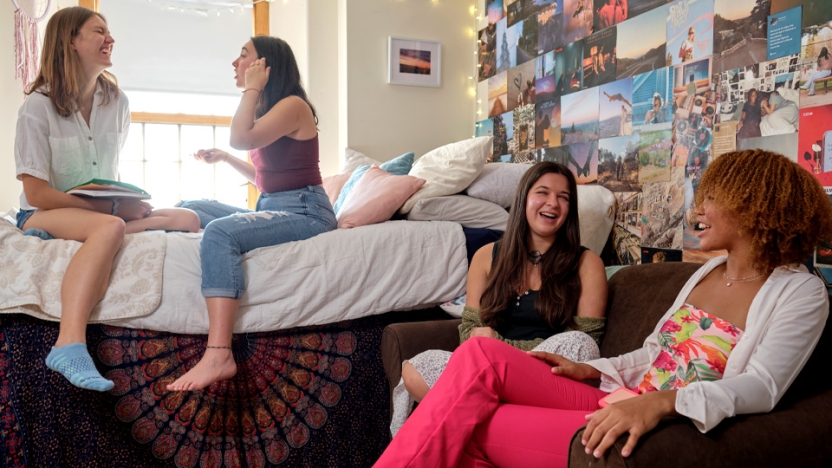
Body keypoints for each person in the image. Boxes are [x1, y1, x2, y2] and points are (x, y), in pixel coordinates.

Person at [375, 149, 832, 467]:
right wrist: (592, 371)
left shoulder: (800, 291)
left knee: (466, 416)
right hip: (615, 396)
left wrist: (662, 404)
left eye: (713, 198)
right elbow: (654, 354)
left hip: (659, 420)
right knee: (477, 356)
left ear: (754, 207)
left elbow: (764, 387)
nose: (699, 207)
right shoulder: (706, 273)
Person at [13, 7, 200, 392]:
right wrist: (111, 210)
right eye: (99, 31)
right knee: (111, 226)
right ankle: (68, 343)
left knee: (187, 219)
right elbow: (36, 192)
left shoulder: (117, 102)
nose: (109, 38)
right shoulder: (38, 106)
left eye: (109, 31)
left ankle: (123, 224)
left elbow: (106, 177)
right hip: (43, 213)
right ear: (71, 41)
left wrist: (124, 201)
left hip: (98, 211)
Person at [167, 36, 335, 391]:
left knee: (220, 233)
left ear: (265, 66)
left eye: (244, 56)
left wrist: (252, 90)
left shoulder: (293, 105)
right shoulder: (270, 112)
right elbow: (267, 179)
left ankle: (219, 353)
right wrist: (226, 160)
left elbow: (240, 138)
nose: (234, 63)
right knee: (191, 206)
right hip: (276, 204)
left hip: (307, 212)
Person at [390, 162, 608, 435]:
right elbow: (470, 330)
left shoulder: (587, 262)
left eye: (563, 197)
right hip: (489, 368)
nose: (553, 203)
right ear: (524, 199)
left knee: (581, 344)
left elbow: (588, 337)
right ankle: (507, 418)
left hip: (544, 373)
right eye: (543, 192)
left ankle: (479, 415)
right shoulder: (484, 256)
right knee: (415, 369)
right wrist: (484, 345)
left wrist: (511, 355)